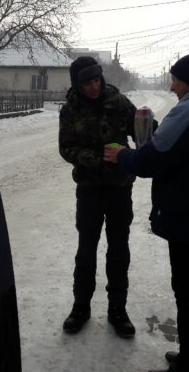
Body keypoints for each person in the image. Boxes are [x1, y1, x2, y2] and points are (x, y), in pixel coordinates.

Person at [104, 52, 189, 372]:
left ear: (188, 81)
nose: (172, 86)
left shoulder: (188, 111)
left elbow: (151, 160)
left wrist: (122, 155)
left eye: (175, 79)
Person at [59, 56, 137, 338]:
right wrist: (96, 159)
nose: (93, 87)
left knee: (118, 250)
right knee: (86, 250)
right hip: (89, 189)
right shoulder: (70, 109)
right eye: (87, 83)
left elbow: (141, 132)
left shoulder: (119, 102)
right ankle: (81, 307)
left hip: (119, 188)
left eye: (96, 80)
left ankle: (118, 309)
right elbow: (66, 147)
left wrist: (146, 126)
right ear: (77, 85)